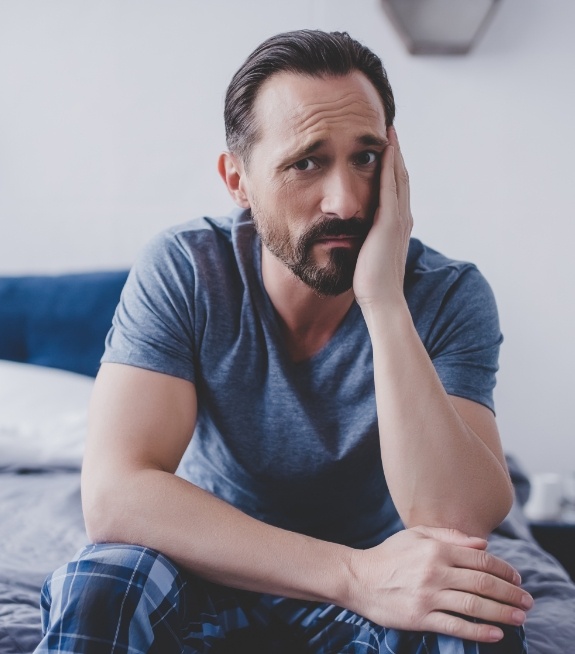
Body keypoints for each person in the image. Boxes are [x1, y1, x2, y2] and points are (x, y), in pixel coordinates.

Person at [35, 30, 532, 653]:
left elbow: (457, 521)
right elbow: (115, 495)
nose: (346, 200)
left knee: (477, 619)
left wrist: (382, 301)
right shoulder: (187, 269)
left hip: (390, 574)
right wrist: (351, 576)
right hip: (217, 562)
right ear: (237, 180)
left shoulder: (448, 295)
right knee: (102, 584)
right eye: (307, 162)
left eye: (367, 157)